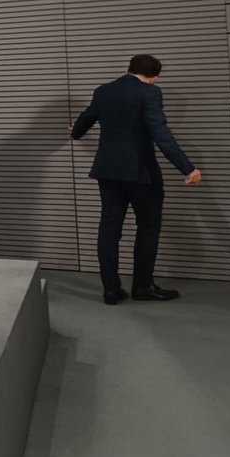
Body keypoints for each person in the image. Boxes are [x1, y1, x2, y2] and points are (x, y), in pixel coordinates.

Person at [70, 54, 201, 305]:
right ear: (153, 77)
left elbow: (84, 122)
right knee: (148, 227)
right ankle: (142, 287)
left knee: (109, 230)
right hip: (141, 173)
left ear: (127, 68)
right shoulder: (149, 92)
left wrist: (75, 131)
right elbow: (160, 133)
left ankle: (111, 289)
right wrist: (187, 168)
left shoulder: (103, 91)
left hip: (107, 171)